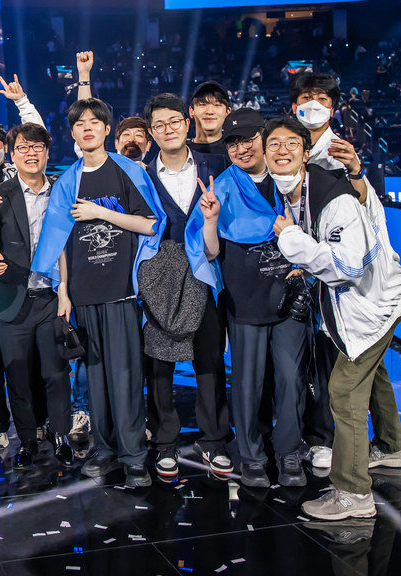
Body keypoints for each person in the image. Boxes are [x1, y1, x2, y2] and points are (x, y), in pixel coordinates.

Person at [266, 116, 401, 521]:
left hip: (373, 307)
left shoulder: (334, 198)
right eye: (273, 144)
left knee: (344, 392)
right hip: (373, 302)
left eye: (291, 143)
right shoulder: (302, 190)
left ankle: (353, 493)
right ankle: (392, 447)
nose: (281, 150)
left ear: (306, 152)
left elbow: (349, 267)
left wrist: (291, 240)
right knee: (373, 376)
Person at [32, 98, 162, 488]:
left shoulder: (128, 171)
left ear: (107, 129)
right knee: (96, 380)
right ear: (72, 132)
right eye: (80, 123)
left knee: (126, 377)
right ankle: (105, 451)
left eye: (94, 122)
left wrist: (100, 213)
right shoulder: (66, 182)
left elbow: (150, 224)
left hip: (121, 292)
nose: (87, 128)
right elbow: (59, 241)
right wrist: (64, 291)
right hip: (83, 294)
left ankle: (134, 456)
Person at [209, 108, 312, 488]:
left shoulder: (292, 180)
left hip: (289, 299)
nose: (242, 148)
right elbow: (207, 251)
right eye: (233, 143)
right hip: (245, 301)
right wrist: (210, 220)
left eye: (249, 139)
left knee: (291, 377)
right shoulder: (220, 188)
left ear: (264, 140)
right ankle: (251, 455)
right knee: (248, 384)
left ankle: (288, 452)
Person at [142, 93, 231, 480]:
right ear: (151, 133)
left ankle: (214, 440)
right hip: (158, 276)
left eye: (174, 121)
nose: (168, 130)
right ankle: (165, 441)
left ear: (186, 121)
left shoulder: (217, 166)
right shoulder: (141, 175)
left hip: (205, 272)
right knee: (159, 360)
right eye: (159, 125)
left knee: (209, 358)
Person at [0, 123, 73, 470]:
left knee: (55, 373)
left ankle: (60, 435)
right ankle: (28, 440)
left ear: (47, 151)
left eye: (37, 147)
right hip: (11, 300)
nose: (31, 154)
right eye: (23, 148)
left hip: (52, 298)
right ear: (12, 155)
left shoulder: (62, 191)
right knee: (16, 377)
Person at [290, 71, 373, 468]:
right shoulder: (285, 141)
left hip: (332, 268)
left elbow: (363, 204)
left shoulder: (342, 151)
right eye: (306, 97)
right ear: (294, 105)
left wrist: (355, 170)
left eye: (322, 99)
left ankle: (324, 437)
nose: (314, 105)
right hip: (294, 261)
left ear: (334, 107)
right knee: (297, 356)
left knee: (329, 355)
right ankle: (304, 429)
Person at [188, 81, 232, 158]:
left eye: (217, 105)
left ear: (227, 112)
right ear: (191, 111)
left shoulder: (236, 152)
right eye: (202, 105)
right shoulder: (181, 151)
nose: (210, 111)